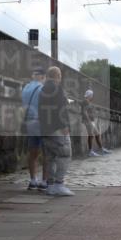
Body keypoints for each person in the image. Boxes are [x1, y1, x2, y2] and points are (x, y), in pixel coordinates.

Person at [37, 66, 73, 197]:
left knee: (50, 158)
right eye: (60, 76)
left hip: (45, 128)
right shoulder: (57, 89)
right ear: (58, 75)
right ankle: (59, 184)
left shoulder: (42, 90)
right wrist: (64, 125)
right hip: (57, 129)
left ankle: (50, 186)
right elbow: (60, 108)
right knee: (64, 155)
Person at [21, 67, 47, 190]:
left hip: (29, 122)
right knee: (47, 153)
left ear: (33, 76)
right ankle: (44, 182)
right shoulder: (43, 88)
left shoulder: (25, 88)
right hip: (41, 122)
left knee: (33, 153)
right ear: (42, 76)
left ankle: (32, 180)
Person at [81, 90, 111, 157]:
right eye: (92, 95)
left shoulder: (88, 102)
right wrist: (89, 121)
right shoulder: (85, 101)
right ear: (89, 95)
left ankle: (101, 149)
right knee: (91, 135)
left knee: (96, 134)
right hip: (88, 121)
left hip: (91, 121)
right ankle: (91, 151)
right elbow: (84, 112)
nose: (92, 96)